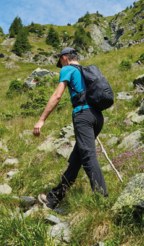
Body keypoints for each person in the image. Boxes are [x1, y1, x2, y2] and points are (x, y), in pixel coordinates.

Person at [33, 47, 108, 210]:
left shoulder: (68, 69)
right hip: (97, 117)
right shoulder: (87, 71)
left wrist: (41, 120)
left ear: (65, 58)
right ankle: (53, 199)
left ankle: (102, 199)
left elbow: (57, 95)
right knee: (76, 160)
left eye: (60, 61)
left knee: (88, 156)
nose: (60, 65)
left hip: (83, 115)